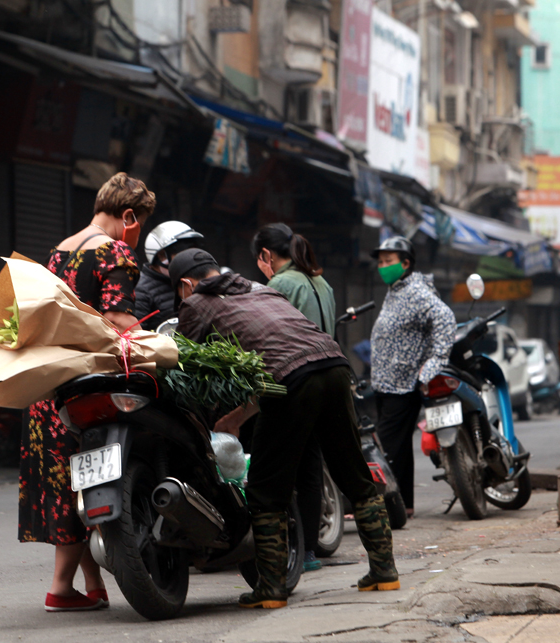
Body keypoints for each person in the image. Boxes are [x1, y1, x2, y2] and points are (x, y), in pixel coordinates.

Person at [171, 250, 398, 610]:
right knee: (352, 472)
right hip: (334, 366)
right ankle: (385, 570)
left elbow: (183, 364)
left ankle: (272, 588)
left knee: (265, 488)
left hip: (291, 381)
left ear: (185, 284)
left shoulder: (196, 303)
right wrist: (236, 418)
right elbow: (283, 358)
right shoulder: (262, 289)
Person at [19, 172, 155, 612]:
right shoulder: (114, 251)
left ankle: (92, 584)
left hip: (47, 383)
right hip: (85, 383)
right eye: (141, 224)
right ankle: (60, 588)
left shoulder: (60, 250)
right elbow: (117, 321)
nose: (139, 235)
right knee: (88, 475)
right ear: (128, 215)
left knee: (69, 481)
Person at [250, 223, 335, 573]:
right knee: (311, 471)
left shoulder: (280, 284)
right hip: (327, 380)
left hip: (294, 384)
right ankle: (311, 551)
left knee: (279, 469)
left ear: (267, 256)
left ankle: (282, 550)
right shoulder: (321, 282)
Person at [369, 237, 456, 519]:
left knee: (389, 448)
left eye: (389, 261)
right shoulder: (396, 289)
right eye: (381, 262)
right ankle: (404, 504)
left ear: (405, 264)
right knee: (400, 448)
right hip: (387, 382)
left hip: (402, 384)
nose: (383, 267)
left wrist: (435, 361)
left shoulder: (415, 290)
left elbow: (445, 318)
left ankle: (388, 509)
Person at [134, 221, 204, 330]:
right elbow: (135, 334)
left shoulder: (190, 281)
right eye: (182, 255)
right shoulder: (141, 290)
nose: (189, 260)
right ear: (162, 257)